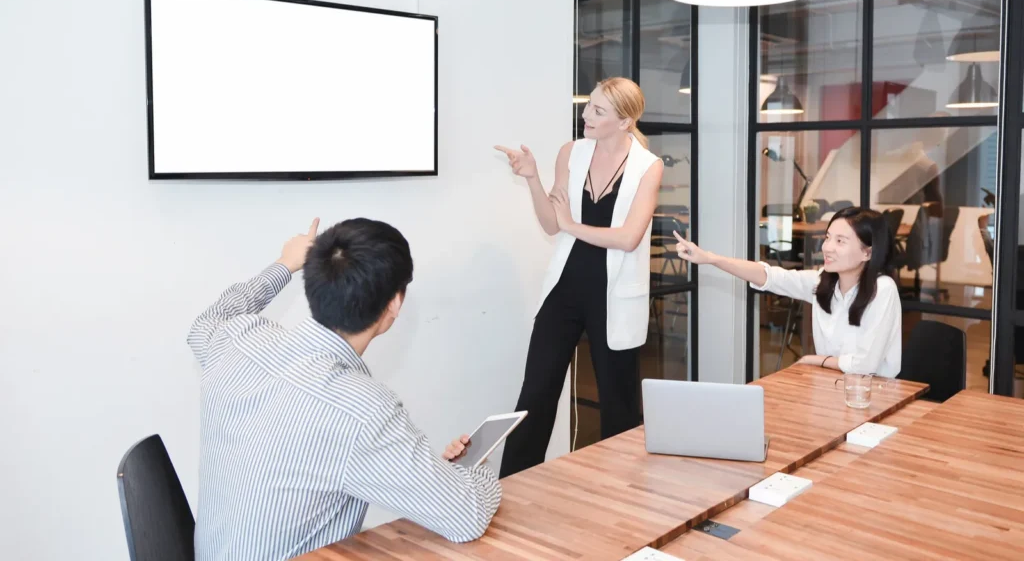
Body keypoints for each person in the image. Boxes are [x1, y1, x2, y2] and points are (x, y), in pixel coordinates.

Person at [187, 217, 502, 561]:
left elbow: (208, 321)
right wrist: (472, 472)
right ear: (395, 303)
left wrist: (284, 264)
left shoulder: (238, 339)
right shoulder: (361, 409)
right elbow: (467, 517)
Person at [494, 77, 664, 478]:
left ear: (625, 122)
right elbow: (553, 225)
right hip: (566, 286)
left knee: (618, 402)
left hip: (615, 293)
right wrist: (532, 178)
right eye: (589, 105)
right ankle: (510, 487)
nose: (586, 114)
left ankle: (623, 492)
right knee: (535, 393)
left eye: (598, 110)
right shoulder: (570, 153)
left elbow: (628, 238)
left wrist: (572, 223)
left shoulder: (647, 166)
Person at [674, 206, 902, 378]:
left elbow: (866, 365)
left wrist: (814, 360)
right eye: (828, 237)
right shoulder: (823, 282)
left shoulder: (882, 290)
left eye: (840, 241)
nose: (827, 247)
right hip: (830, 386)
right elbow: (770, 277)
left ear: (867, 253)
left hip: (875, 393)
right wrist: (710, 258)